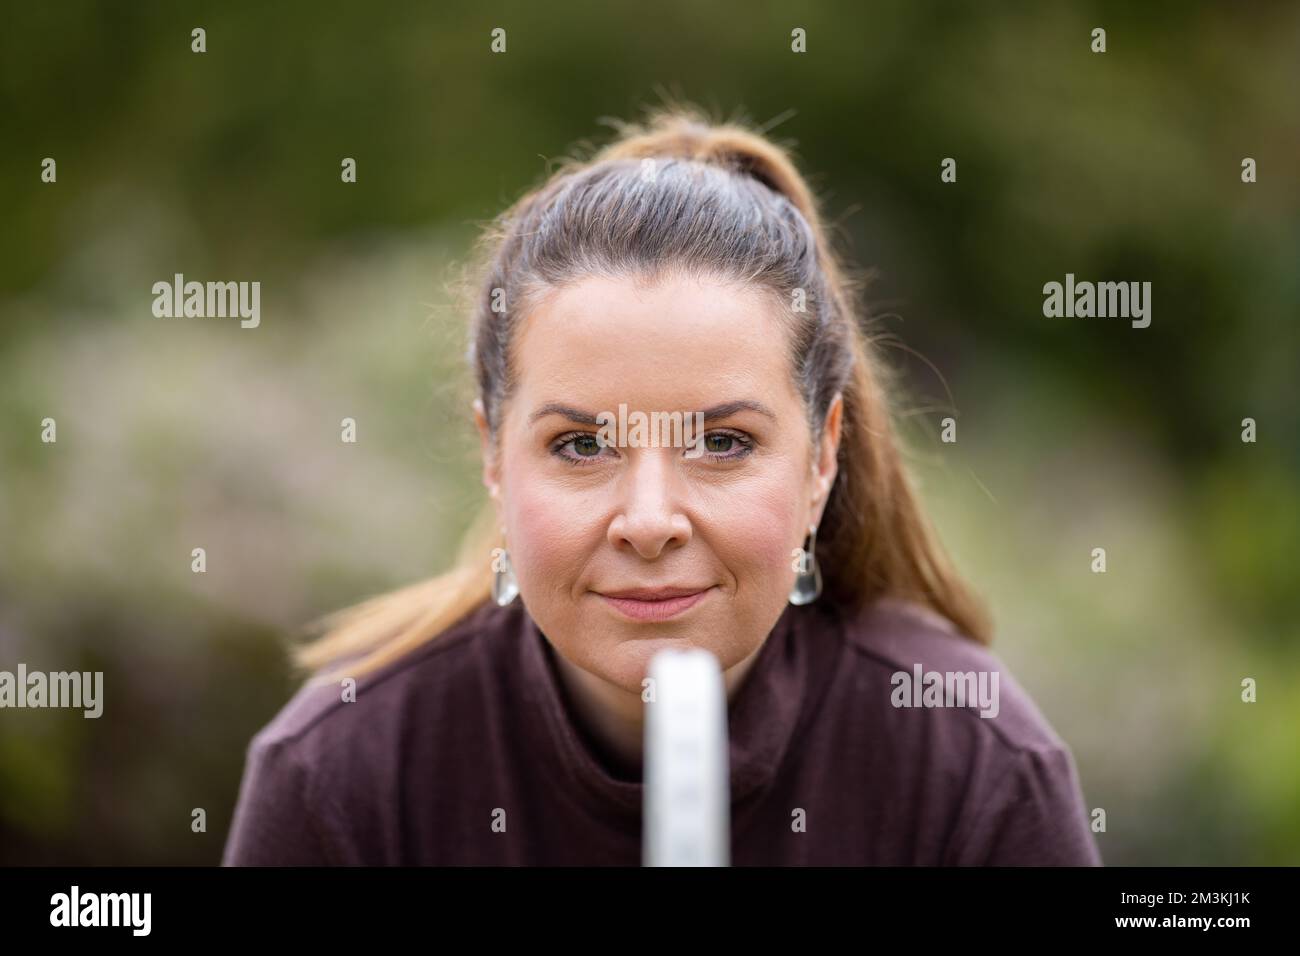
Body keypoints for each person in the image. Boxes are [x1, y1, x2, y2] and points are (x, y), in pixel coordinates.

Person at [222, 105, 1102, 866]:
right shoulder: (338, 772)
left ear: (822, 458)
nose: (649, 522)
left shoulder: (971, 765)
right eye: (579, 445)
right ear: (495, 455)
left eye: (722, 441)